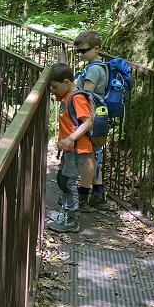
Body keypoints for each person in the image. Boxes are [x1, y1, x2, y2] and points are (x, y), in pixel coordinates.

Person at [47, 63, 94, 233]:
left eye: (55, 87)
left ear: (66, 82)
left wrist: (69, 139)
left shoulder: (76, 97)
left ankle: (72, 220)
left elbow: (87, 123)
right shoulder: (66, 94)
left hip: (77, 149)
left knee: (68, 182)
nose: (53, 90)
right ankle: (66, 214)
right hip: (70, 149)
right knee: (62, 179)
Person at [72, 31, 110, 212]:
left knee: (87, 155)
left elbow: (86, 95)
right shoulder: (99, 67)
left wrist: (81, 121)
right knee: (93, 155)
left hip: (90, 117)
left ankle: (82, 197)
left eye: (84, 51)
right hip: (97, 116)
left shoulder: (94, 69)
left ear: (96, 49)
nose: (81, 55)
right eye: (78, 51)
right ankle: (99, 195)